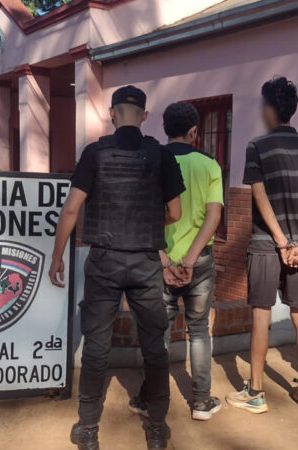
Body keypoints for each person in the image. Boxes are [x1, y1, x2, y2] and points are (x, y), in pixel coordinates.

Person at [48, 85, 185, 450]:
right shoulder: (161, 155)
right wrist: (147, 226)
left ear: (111, 113)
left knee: (96, 346)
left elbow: (72, 208)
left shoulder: (94, 153)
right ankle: (158, 428)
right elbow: (175, 213)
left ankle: (87, 428)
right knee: (155, 347)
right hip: (145, 262)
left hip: (105, 261)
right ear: (144, 116)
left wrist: (57, 255)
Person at [225, 76, 298, 413]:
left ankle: (255, 393)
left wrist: (281, 242)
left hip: (266, 243)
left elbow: (259, 195)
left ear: (269, 109)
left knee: (260, 316)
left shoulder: (257, 146)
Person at [129, 102, 224, 421]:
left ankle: (149, 400)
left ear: (165, 129)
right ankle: (201, 402)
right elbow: (214, 217)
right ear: (194, 131)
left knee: (158, 333)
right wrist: (191, 260)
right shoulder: (210, 165)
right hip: (200, 263)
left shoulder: (151, 161)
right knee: (198, 330)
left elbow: (142, 216)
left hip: (160, 261)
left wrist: (165, 260)